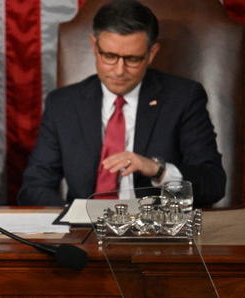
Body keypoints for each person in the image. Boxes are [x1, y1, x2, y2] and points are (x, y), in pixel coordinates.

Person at [17, 0, 225, 207]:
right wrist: (72, 215)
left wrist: (158, 170)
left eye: (132, 59)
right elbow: (34, 188)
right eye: (109, 56)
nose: (119, 71)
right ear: (94, 47)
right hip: (83, 232)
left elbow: (213, 185)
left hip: (155, 230)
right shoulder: (62, 105)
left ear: (151, 54)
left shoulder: (183, 98)